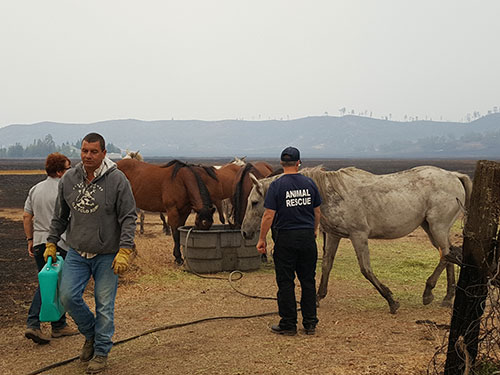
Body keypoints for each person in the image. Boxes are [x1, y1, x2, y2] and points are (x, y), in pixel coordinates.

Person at [45, 132, 137, 374]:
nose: (88, 155)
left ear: (104, 153)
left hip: (107, 254)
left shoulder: (118, 180)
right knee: (67, 297)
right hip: (77, 252)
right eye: (84, 151)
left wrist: (125, 250)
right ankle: (91, 335)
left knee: (104, 305)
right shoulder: (69, 180)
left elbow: (129, 217)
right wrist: (51, 242)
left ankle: (101, 352)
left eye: (94, 151)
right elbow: (60, 216)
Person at [256, 146, 322, 336]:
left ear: (282, 164)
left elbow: (268, 215)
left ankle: (288, 324)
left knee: (286, 282)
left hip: (285, 238)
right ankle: (310, 323)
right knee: (308, 281)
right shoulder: (310, 184)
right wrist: (314, 229)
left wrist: (262, 239)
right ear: (299, 163)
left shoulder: (276, 186)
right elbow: (317, 211)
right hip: (307, 237)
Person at [23, 152, 78, 344]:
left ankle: (58, 325)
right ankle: (33, 323)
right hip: (59, 243)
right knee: (51, 284)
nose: (71, 171)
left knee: (50, 282)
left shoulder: (35, 189)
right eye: (68, 168)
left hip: (39, 242)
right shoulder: (66, 190)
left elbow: (26, 216)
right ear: (60, 171)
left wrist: (30, 240)